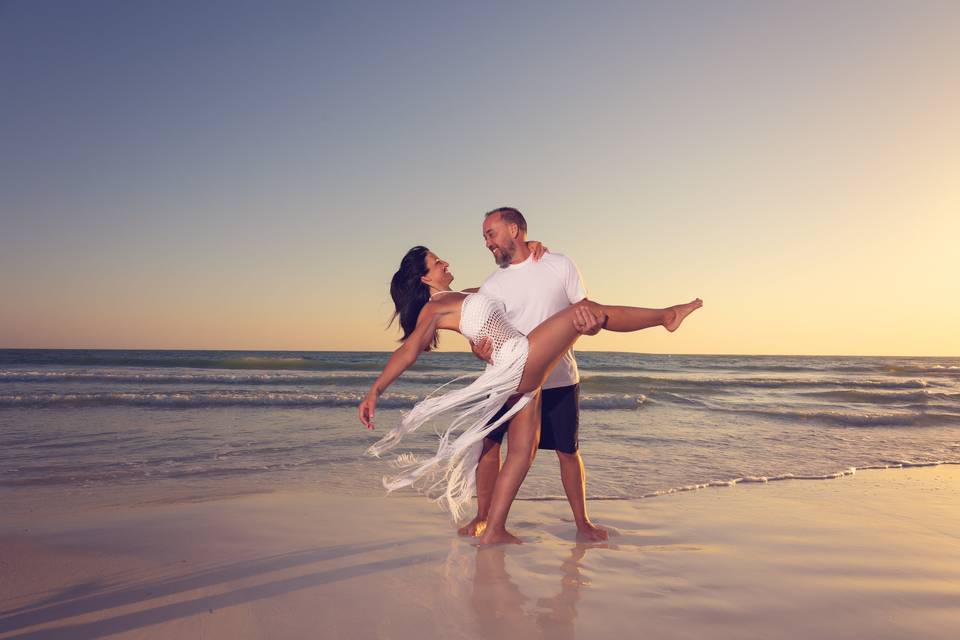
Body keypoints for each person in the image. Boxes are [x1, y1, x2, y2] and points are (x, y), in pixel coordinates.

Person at [358, 246, 702, 545]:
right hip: (518, 359)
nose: (445, 262)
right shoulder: (433, 309)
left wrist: (533, 249)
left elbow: (515, 285)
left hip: (513, 367)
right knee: (582, 312)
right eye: (436, 262)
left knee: (523, 451)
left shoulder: (463, 295)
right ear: (423, 278)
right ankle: (667, 317)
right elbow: (410, 351)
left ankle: (494, 530)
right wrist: (375, 391)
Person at [460, 207, 606, 542]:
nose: (486, 242)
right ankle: (484, 519)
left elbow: (585, 315)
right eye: (484, 236)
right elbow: (482, 334)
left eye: (490, 233)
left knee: (568, 451)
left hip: (560, 378)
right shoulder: (492, 285)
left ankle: (582, 523)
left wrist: (593, 328)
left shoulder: (559, 265)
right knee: (489, 446)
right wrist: (479, 350)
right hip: (507, 379)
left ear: (514, 230)